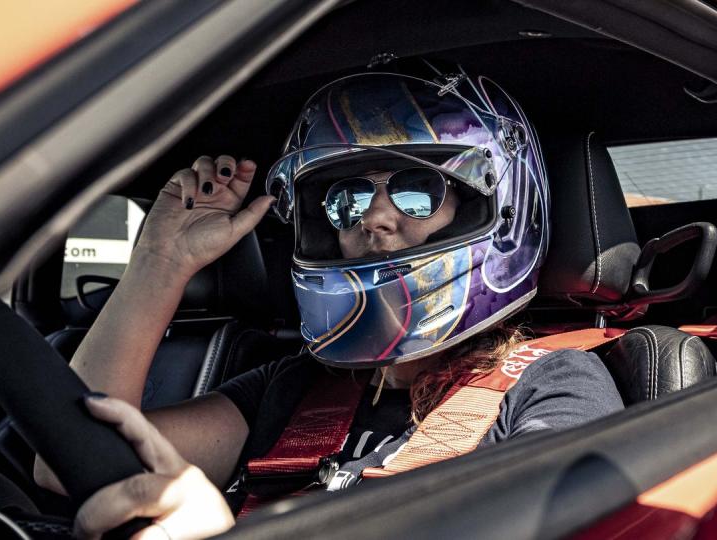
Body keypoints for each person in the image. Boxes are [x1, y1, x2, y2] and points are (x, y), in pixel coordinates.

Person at [33, 64, 624, 539]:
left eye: (418, 191)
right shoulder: (293, 387)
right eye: (345, 198)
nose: (374, 217)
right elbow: (70, 464)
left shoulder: (553, 380)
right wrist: (162, 263)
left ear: (493, 210)